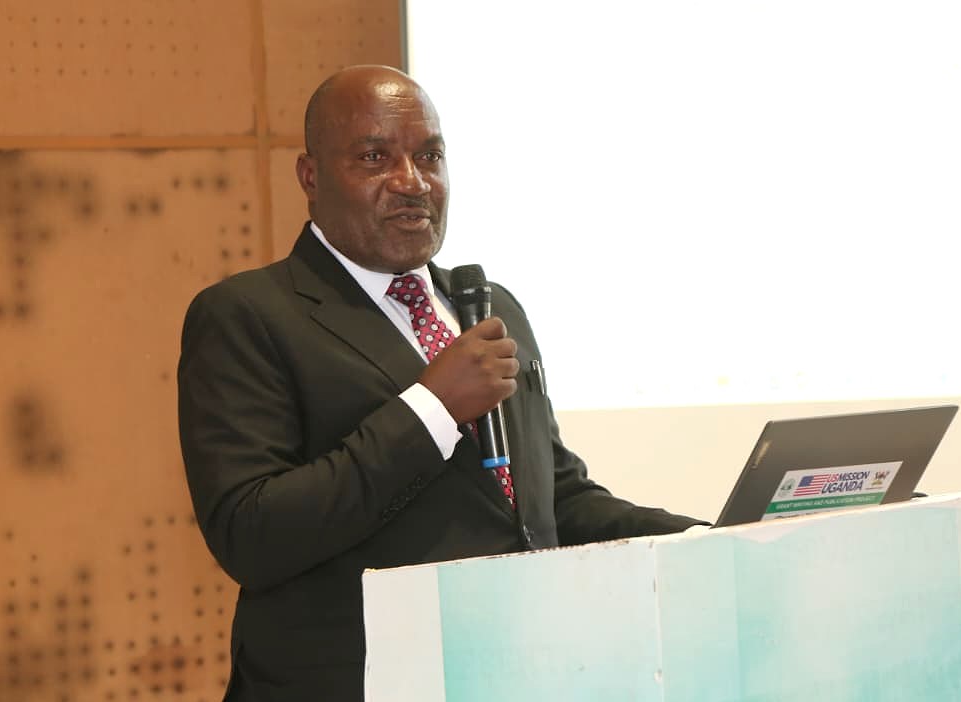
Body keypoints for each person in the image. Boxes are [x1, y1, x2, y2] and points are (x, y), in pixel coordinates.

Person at [178, 64, 707, 702]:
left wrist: (699, 542)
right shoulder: (247, 316)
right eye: (374, 157)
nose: (412, 182)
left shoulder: (489, 306)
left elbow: (550, 502)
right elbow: (251, 534)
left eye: (429, 156)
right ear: (310, 177)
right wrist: (432, 408)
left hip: (518, 675)